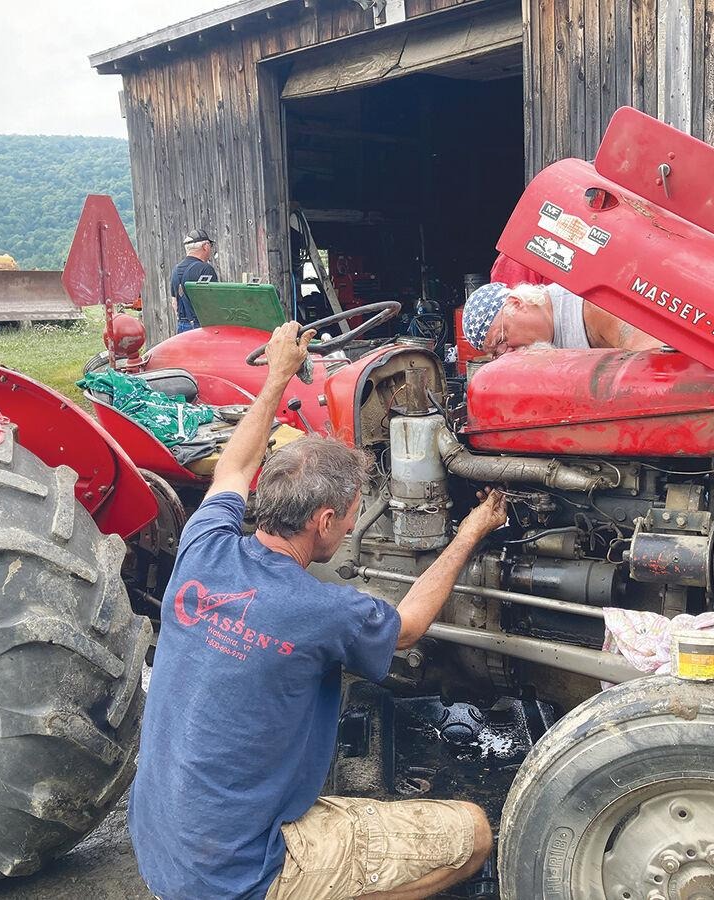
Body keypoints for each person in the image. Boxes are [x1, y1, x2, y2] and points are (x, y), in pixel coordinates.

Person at [130, 321, 506, 900]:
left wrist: (279, 373)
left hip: (163, 849)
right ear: (324, 521)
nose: (358, 523)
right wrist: (473, 530)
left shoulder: (203, 544)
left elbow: (233, 465)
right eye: (354, 513)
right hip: (236, 878)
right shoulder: (325, 609)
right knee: (474, 833)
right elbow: (407, 627)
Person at [462, 281, 662, 355]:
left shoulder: (589, 306)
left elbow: (653, 360)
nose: (507, 353)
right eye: (497, 352)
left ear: (516, 303)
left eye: (501, 340)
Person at [169, 227, 218, 332]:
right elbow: (213, 303)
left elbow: (174, 303)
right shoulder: (205, 269)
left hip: (181, 327)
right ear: (205, 246)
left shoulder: (175, 270)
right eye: (210, 245)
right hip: (201, 327)